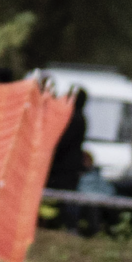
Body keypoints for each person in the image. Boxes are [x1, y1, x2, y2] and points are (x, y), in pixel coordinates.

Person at [40, 89, 89, 232]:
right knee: (66, 195)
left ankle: (66, 224)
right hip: (71, 165)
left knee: (64, 196)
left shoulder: (74, 118)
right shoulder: (81, 117)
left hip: (65, 165)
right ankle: (61, 223)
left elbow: (63, 142)